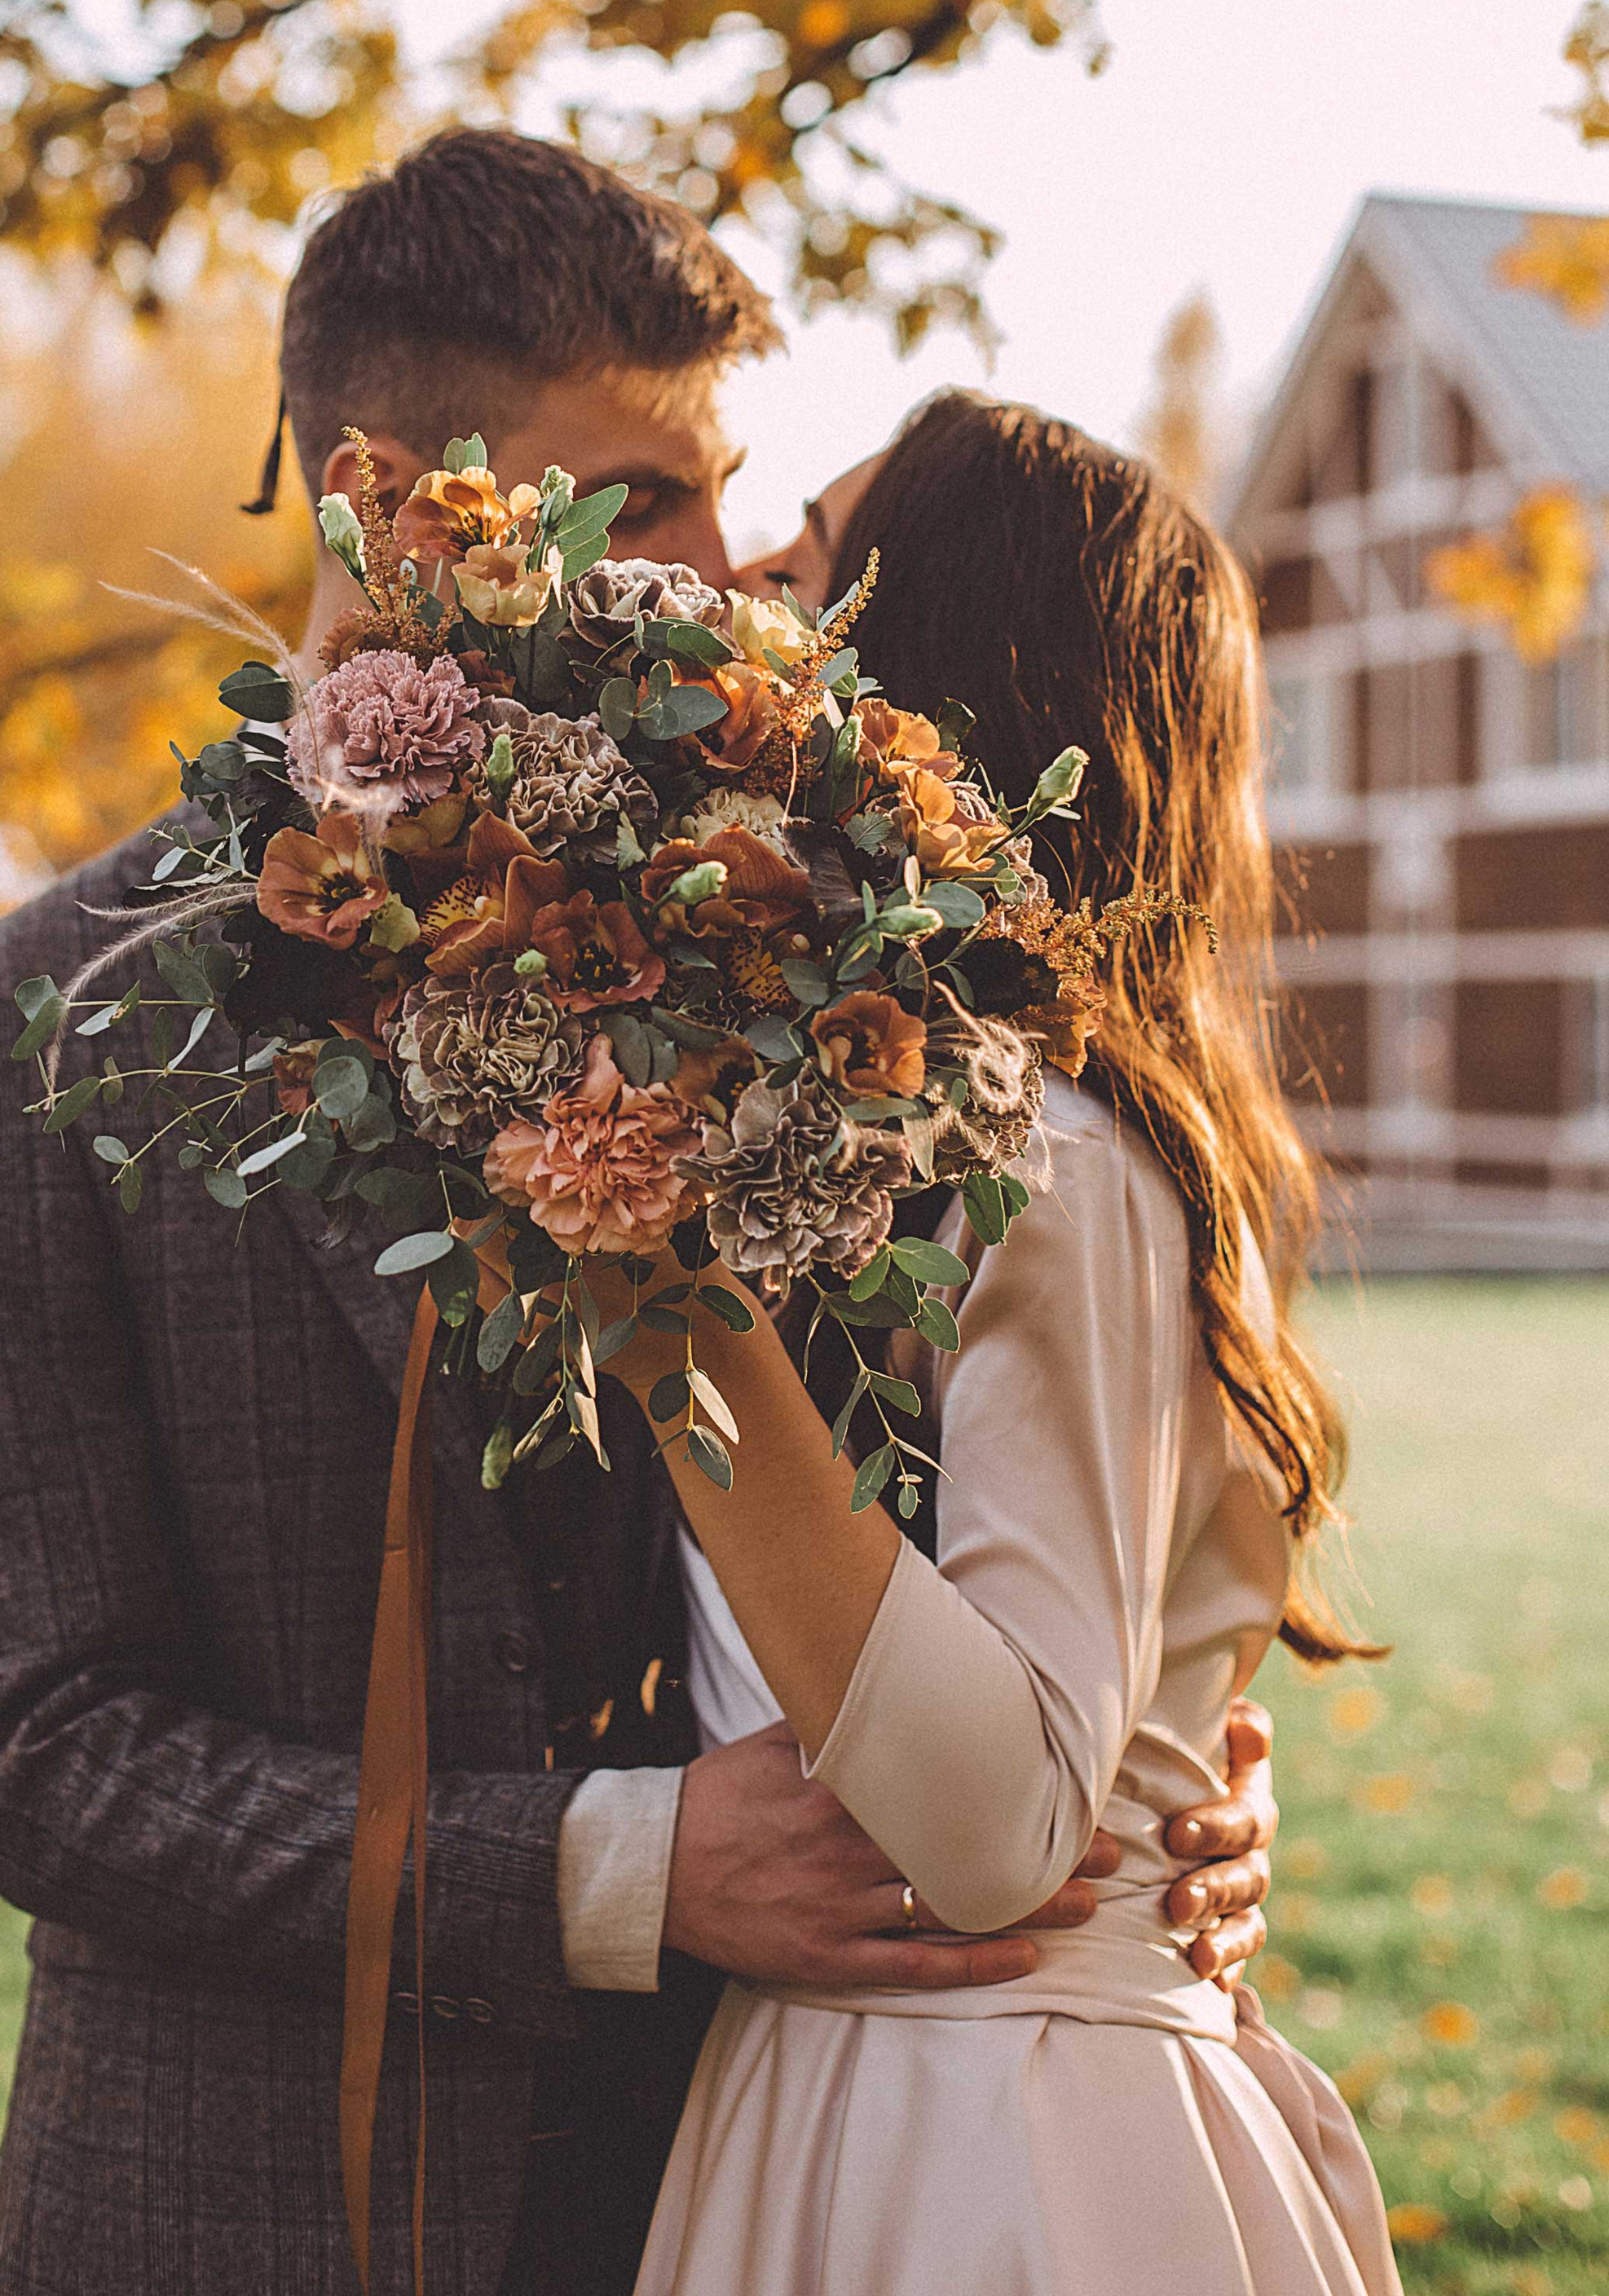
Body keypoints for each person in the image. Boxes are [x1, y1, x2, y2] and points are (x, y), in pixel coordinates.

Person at [0, 133, 1281, 2296]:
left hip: (741, 2186)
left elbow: (988, 1554)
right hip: (235, 2219)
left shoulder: (811, 959)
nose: (732, 574)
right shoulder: (36, 1023)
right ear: (395, 507)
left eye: (735, 494)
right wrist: (616, 1870)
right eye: (644, 503)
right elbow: (43, 1754)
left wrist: (1152, 1814)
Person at [575, 390, 1399, 2296]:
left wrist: (636, 1281)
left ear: (929, 670)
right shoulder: (884, 1129)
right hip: (840, 2093)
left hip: (991, 2149)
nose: (748, 579)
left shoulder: (1050, 1157)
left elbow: (1005, 1827)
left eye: (810, 553)